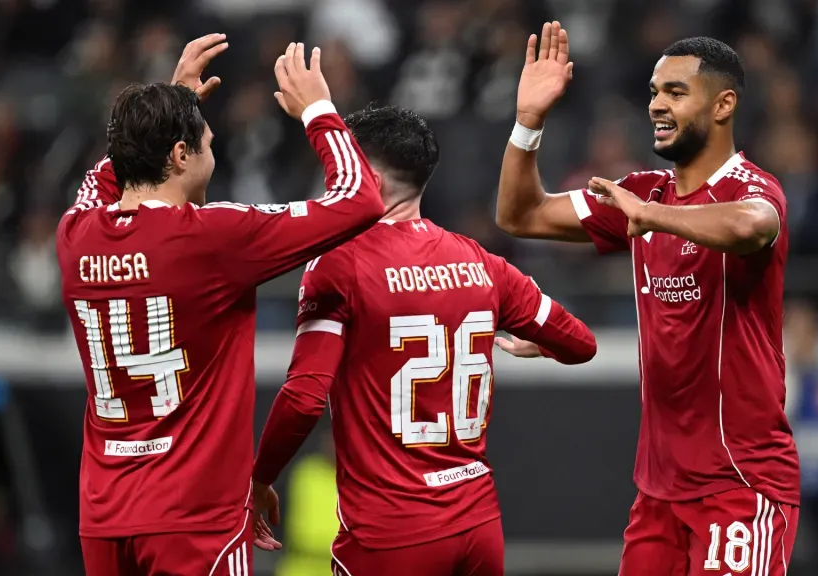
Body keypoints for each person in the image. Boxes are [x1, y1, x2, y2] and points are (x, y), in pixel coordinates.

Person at [59, 35, 387, 576]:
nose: (213, 156)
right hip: (195, 519)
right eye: (207, 144)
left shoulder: (74, 234)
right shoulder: (214, 238)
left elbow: (105, 175)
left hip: (104, 517)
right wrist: (319, 111)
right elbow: (360, 198)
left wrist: (171, 100)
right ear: (181, 154)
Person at [495, 23, 800, 576]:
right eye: (654, 92)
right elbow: (521, 214)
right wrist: (528, 124)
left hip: (740, 483)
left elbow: (753, 226)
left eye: (676, 92)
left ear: (724, 104)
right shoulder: (644, 191)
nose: (658, 105)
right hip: (658, 492)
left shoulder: (749, 188)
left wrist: (648, 215)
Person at [249, 104, 597, 576]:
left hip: (390, 533)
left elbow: (305, 397)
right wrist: (544, 344)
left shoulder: (339, 264)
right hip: (478, 526)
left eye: (342, 165)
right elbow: (580, 344)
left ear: (368, 177)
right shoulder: (483, 262)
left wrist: (260, 477)